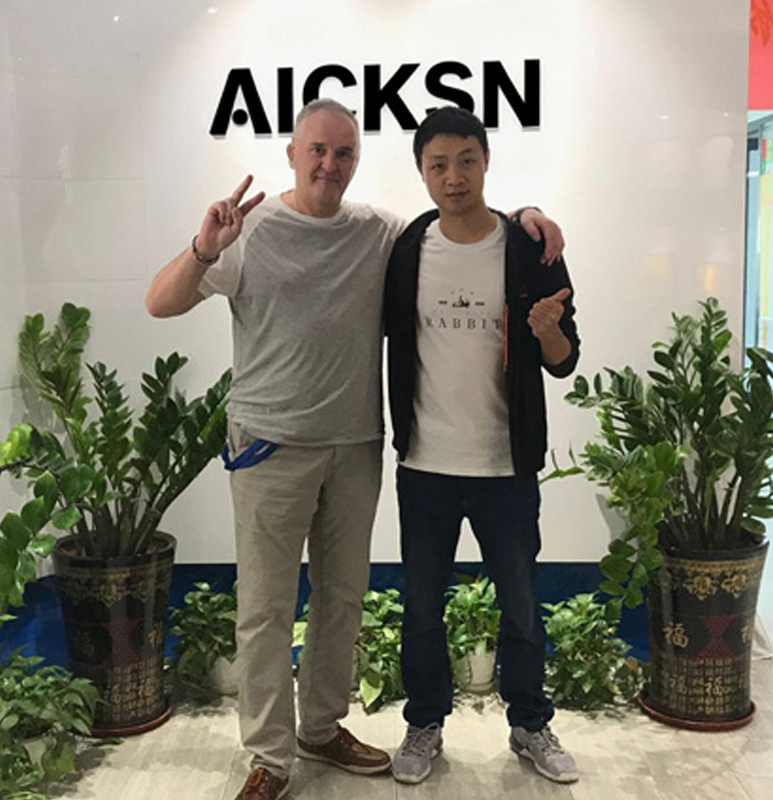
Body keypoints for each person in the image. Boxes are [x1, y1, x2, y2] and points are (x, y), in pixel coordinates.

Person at [145, 98, 564, 800]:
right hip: (269, 446)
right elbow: (160, 302)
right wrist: (203, 247)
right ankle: (270, 756)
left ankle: (321, 728)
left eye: (343, 153)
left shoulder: (380, 233)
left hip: (356, 446)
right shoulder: (247, 231)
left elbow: (458, 219)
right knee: (266, 609)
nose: (329, 165)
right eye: (317, 150)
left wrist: (528, 214)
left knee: (342, 599)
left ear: (357, 161)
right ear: (292, 154)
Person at [384, 106, 581, 786]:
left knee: (521, 605)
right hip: (425, 467)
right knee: (421, 608)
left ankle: (530, 723)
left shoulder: (528, 247)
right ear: (422, 172)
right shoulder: (407, 249)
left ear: (487, 161)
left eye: (466, 160)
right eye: (437, 164)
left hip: (506, 466)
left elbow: (564, 360)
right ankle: (424, 724)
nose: (454, 176)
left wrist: (546, 330)